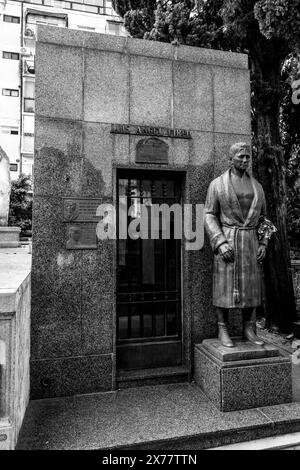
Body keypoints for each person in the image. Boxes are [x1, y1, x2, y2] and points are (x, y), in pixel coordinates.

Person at [204, 142, 273, 348]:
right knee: (224, 286)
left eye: (247, 157)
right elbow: (209, 215)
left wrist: (264, 241)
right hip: (228, 240)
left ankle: (249, 327)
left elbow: (265, 218)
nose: (245, 160)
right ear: (230, 159)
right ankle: (222, 328)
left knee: (251, 287)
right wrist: (220, 242)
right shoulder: (217, 184)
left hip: (251, 241)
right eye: (240, 156)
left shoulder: (257, 187)